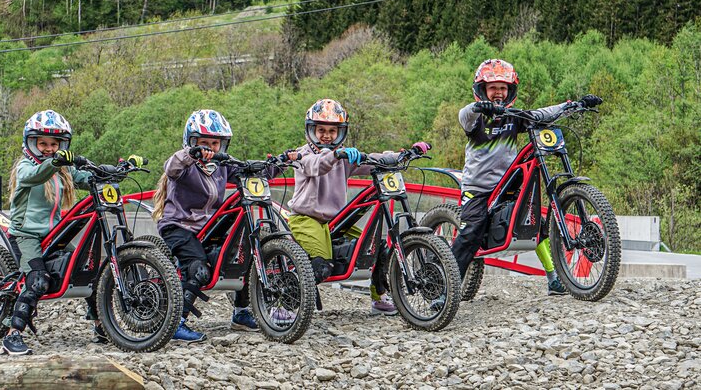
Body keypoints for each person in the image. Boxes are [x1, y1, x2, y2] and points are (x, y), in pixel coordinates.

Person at [453, 59, 602, 295]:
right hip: (478, 189)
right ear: (482, 90)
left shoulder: (515, 116)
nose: (498, 93)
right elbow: (465, 114)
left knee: (536, 224)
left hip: (508, 184)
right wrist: (479, 107)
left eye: (503, 88)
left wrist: (577, 104)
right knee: (472, 232)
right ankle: (445, 289)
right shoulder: (475, 119)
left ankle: (554, 278)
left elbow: (543, 113)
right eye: (493, 88)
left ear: (510, 91)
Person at [152, 109, 286, 343]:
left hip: (210, 225)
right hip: (179, 225)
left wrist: (280, 163)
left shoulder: (222, 166)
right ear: (191, 141)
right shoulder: (184, 166)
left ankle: (241, 312)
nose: (210, 148)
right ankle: (175, 323)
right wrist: (190, 154)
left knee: (245, 253)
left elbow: (251, 172)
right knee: (198, 269)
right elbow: (171, 166)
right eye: (204, 143)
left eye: (216, 143)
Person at [287, 98, 430, 315]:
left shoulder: (344, 156)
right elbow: (317, 165)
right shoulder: (302, 155)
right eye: (321, 130)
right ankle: (286, 303)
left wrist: (402, 155)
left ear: (341, 132)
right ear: (311, 131)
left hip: (336, 221)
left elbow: (373, 160)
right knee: (320, 265)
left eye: (332, 131)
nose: (326, 135)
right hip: (306, 219)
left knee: (378, 248)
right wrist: (335, 155)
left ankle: (380, 297)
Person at [1, 110, 102, 355]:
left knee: (88, 269)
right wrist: (55, 161)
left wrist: (109, 173)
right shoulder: (26, 167)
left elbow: (85, 177)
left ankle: (102, 325)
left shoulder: (63, 169)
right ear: (31, 143)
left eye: (54, 144)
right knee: (38, 280)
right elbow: (37, 175)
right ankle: (13, 334)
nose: (48, 148)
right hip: (26, 235)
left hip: (54, 234)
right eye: (43, 143)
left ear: (62, 144)